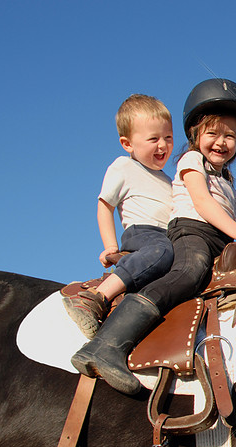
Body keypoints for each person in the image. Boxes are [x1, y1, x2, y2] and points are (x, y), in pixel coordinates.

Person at [71, 78, 236, 394]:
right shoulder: (191, 161)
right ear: (195, 135)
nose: (221, 141)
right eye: (213, 133)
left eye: (230, 136)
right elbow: (202, 203)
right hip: (192, 232)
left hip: (217, 239)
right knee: (188, 273)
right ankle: (106, 345)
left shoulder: (229, 181)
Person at [63, 94, 175, 338]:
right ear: (127, 144)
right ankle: (97, 297)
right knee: (161, 252)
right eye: (153, 138)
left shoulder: (170, 180)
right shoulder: (124, 167)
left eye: (168, 137)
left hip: (168, 237)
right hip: (143, 234)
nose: (163, 145)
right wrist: (110, 245)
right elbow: (105, 205)